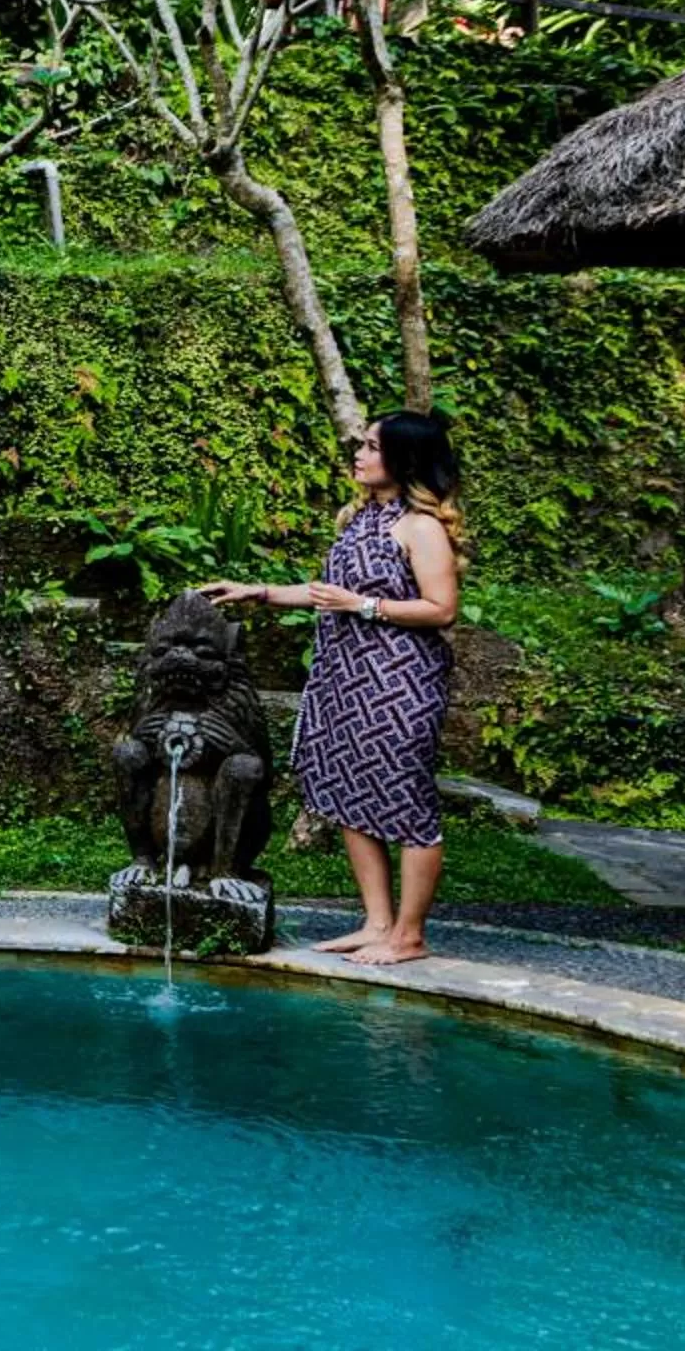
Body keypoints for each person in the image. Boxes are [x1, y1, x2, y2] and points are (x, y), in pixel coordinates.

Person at [201, 411, 466, 966]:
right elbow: (328, 592)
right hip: (344, 680)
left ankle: (409, 935)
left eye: (371, 446)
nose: (359, 453)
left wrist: (362, 606)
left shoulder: (421, 527)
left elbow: (441, 608)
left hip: (400, 683)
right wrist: (260, 591)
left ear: (403, 459)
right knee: (348, 791)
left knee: (407, 801)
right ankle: (377, 923)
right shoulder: (361, 519)